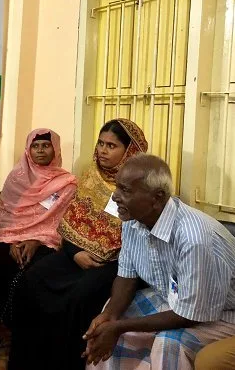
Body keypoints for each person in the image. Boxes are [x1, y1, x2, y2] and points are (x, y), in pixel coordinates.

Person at [8, 118, 148, 370]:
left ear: (129, 151)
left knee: (79, 296)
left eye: (112, 146)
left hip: (116, 263)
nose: (103, 151)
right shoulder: (91, 176)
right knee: (34, 279)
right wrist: (75, 254)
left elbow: (137, 239)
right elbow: (71, 224)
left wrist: (99, 256)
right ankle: (29, 361)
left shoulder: (139, 185)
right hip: (76, 253)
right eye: (101, 143)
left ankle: (65, 363)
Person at [84, 154, 235, 370]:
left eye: (125, 190)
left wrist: (119, 327)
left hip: (221, 314)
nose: (115, 196)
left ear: (157, 197)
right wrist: (111, 317)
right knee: (108, 319)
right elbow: (126, 276)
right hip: (172, 299)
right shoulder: (132, 219)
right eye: (117, 187)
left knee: (169, 344)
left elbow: (189, 314)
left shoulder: (195, 238)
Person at [0, 129, 77, 359]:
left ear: (55, 149)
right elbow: (5, 215)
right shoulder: (16, 178)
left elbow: (60, 221)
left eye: (46, 145)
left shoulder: (66, 183)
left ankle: (24, 335)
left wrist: (35, 240)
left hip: (45, 241)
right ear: (28, 150)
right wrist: (15, 240)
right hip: (9, 238)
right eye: (36, 146)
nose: (41, 150)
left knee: (33, 273)